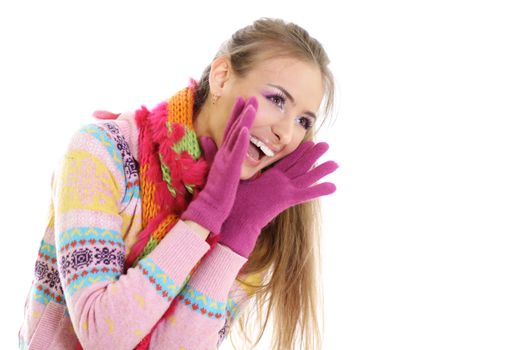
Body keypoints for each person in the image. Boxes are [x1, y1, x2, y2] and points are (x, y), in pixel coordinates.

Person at [19, 17, 338, 350]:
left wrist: (236, 234)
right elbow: (103, 337)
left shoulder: (256, 220)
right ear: (222, 77)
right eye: (277, 100)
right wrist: (204, 215)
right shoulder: (102, 153)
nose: (286, 133)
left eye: (303, 121)